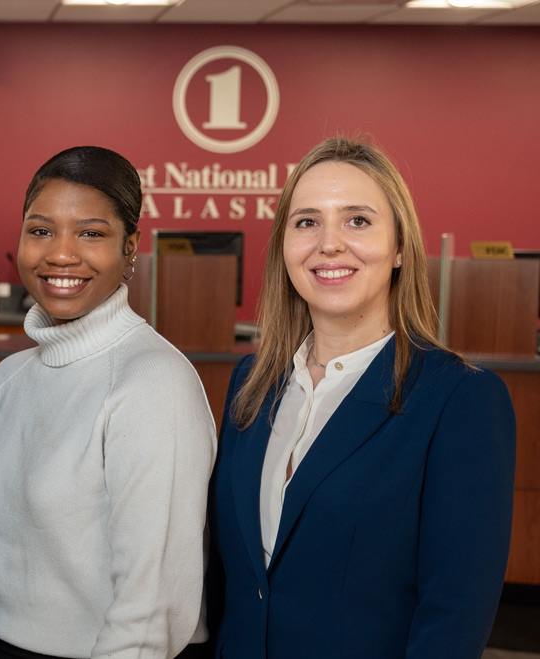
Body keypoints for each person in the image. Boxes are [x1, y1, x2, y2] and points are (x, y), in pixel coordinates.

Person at [209, 137, 516, 659]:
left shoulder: (462, 399)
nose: (329, 244)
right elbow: (227, 578)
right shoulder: (251, 382)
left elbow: (454, 618)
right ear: (284, 245)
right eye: (306, 222)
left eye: (357, 221)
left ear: (399, 248)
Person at [0, 146, 217, 659]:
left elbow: (152, 606)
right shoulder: (7, 380)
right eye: (40, 230)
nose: (60, 254)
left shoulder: (154, 382)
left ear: (130, 248)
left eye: (90, 233)